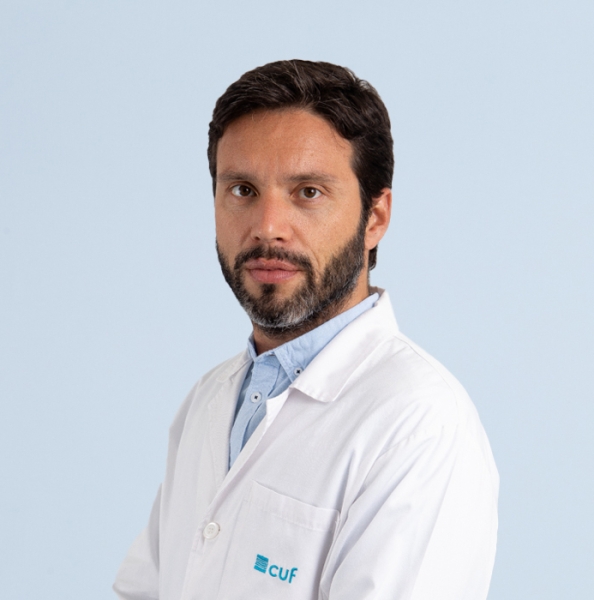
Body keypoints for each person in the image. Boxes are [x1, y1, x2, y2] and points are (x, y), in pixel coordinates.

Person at [113, 59, 498, 600]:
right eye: (242, 190)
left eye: (308, 192)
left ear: (375, 217)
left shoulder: (419, 424)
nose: (267, 226)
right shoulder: (209, 401)